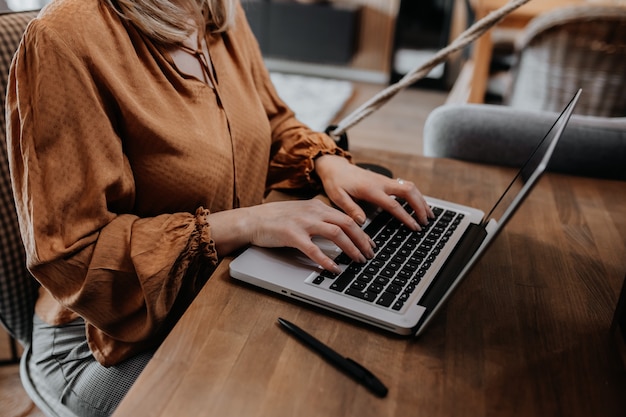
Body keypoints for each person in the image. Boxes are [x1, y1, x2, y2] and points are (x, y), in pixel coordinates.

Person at [6, 0, 433, 415]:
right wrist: (247, 222)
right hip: (102, 343)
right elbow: (74, 255)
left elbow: (272, 119)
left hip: (216, 290)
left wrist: (326, 161)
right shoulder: (64, 37)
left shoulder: (215, 9)